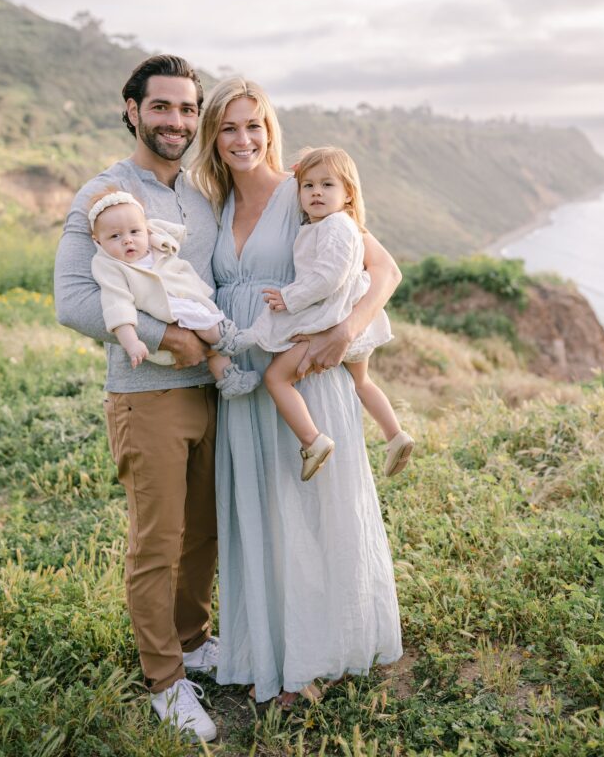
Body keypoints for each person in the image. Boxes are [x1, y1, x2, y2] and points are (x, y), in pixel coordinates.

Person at [191, 77, 404, 705]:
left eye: (253, 125)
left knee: (313, 516)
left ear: (270, 129)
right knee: (262, 515)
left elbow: (384, 269)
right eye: (228, 127)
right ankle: (274, 651)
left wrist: (345, 331)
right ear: (213, 137)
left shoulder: (304, 191)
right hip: (247, 378)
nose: (242, 139)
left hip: (307, 376)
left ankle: (321, 655)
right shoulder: (211, 205)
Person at [54, 55, 221, 742]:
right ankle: (165, 681)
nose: (175, 121)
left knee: (204, 534)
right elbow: (73, 300)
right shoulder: (103, 194)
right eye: (161, 107)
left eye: (187, 110)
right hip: (146, 395)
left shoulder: (198, 197)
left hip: (211, 394)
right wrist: (165, 338)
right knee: (158, 541)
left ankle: (194, 637)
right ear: (132, 109)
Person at [224, 145, 415, 481]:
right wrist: (302, 171)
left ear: (348, 194)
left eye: (328, 185)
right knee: (362, 381)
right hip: (348, 316)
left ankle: (313, 441)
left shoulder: (335, 226)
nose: (316, 192)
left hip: (330, 319)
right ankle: (395, 435)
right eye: (308, 186)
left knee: (277, 378)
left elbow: (328, 276)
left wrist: (289, 297)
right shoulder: (331, 224)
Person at [88, 186, 260, 398]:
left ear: (146, 229)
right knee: (203, 322)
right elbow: (117, 306)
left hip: (182, 301)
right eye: (115, 236)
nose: (128, 240)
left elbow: (174, 232)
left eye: (134, 232)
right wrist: (132, 343)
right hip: (165, 313)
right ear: (98, 241)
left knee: (208, 343)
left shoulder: (152, 242)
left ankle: (230, 379)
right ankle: (228, 339)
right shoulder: (111, 267)